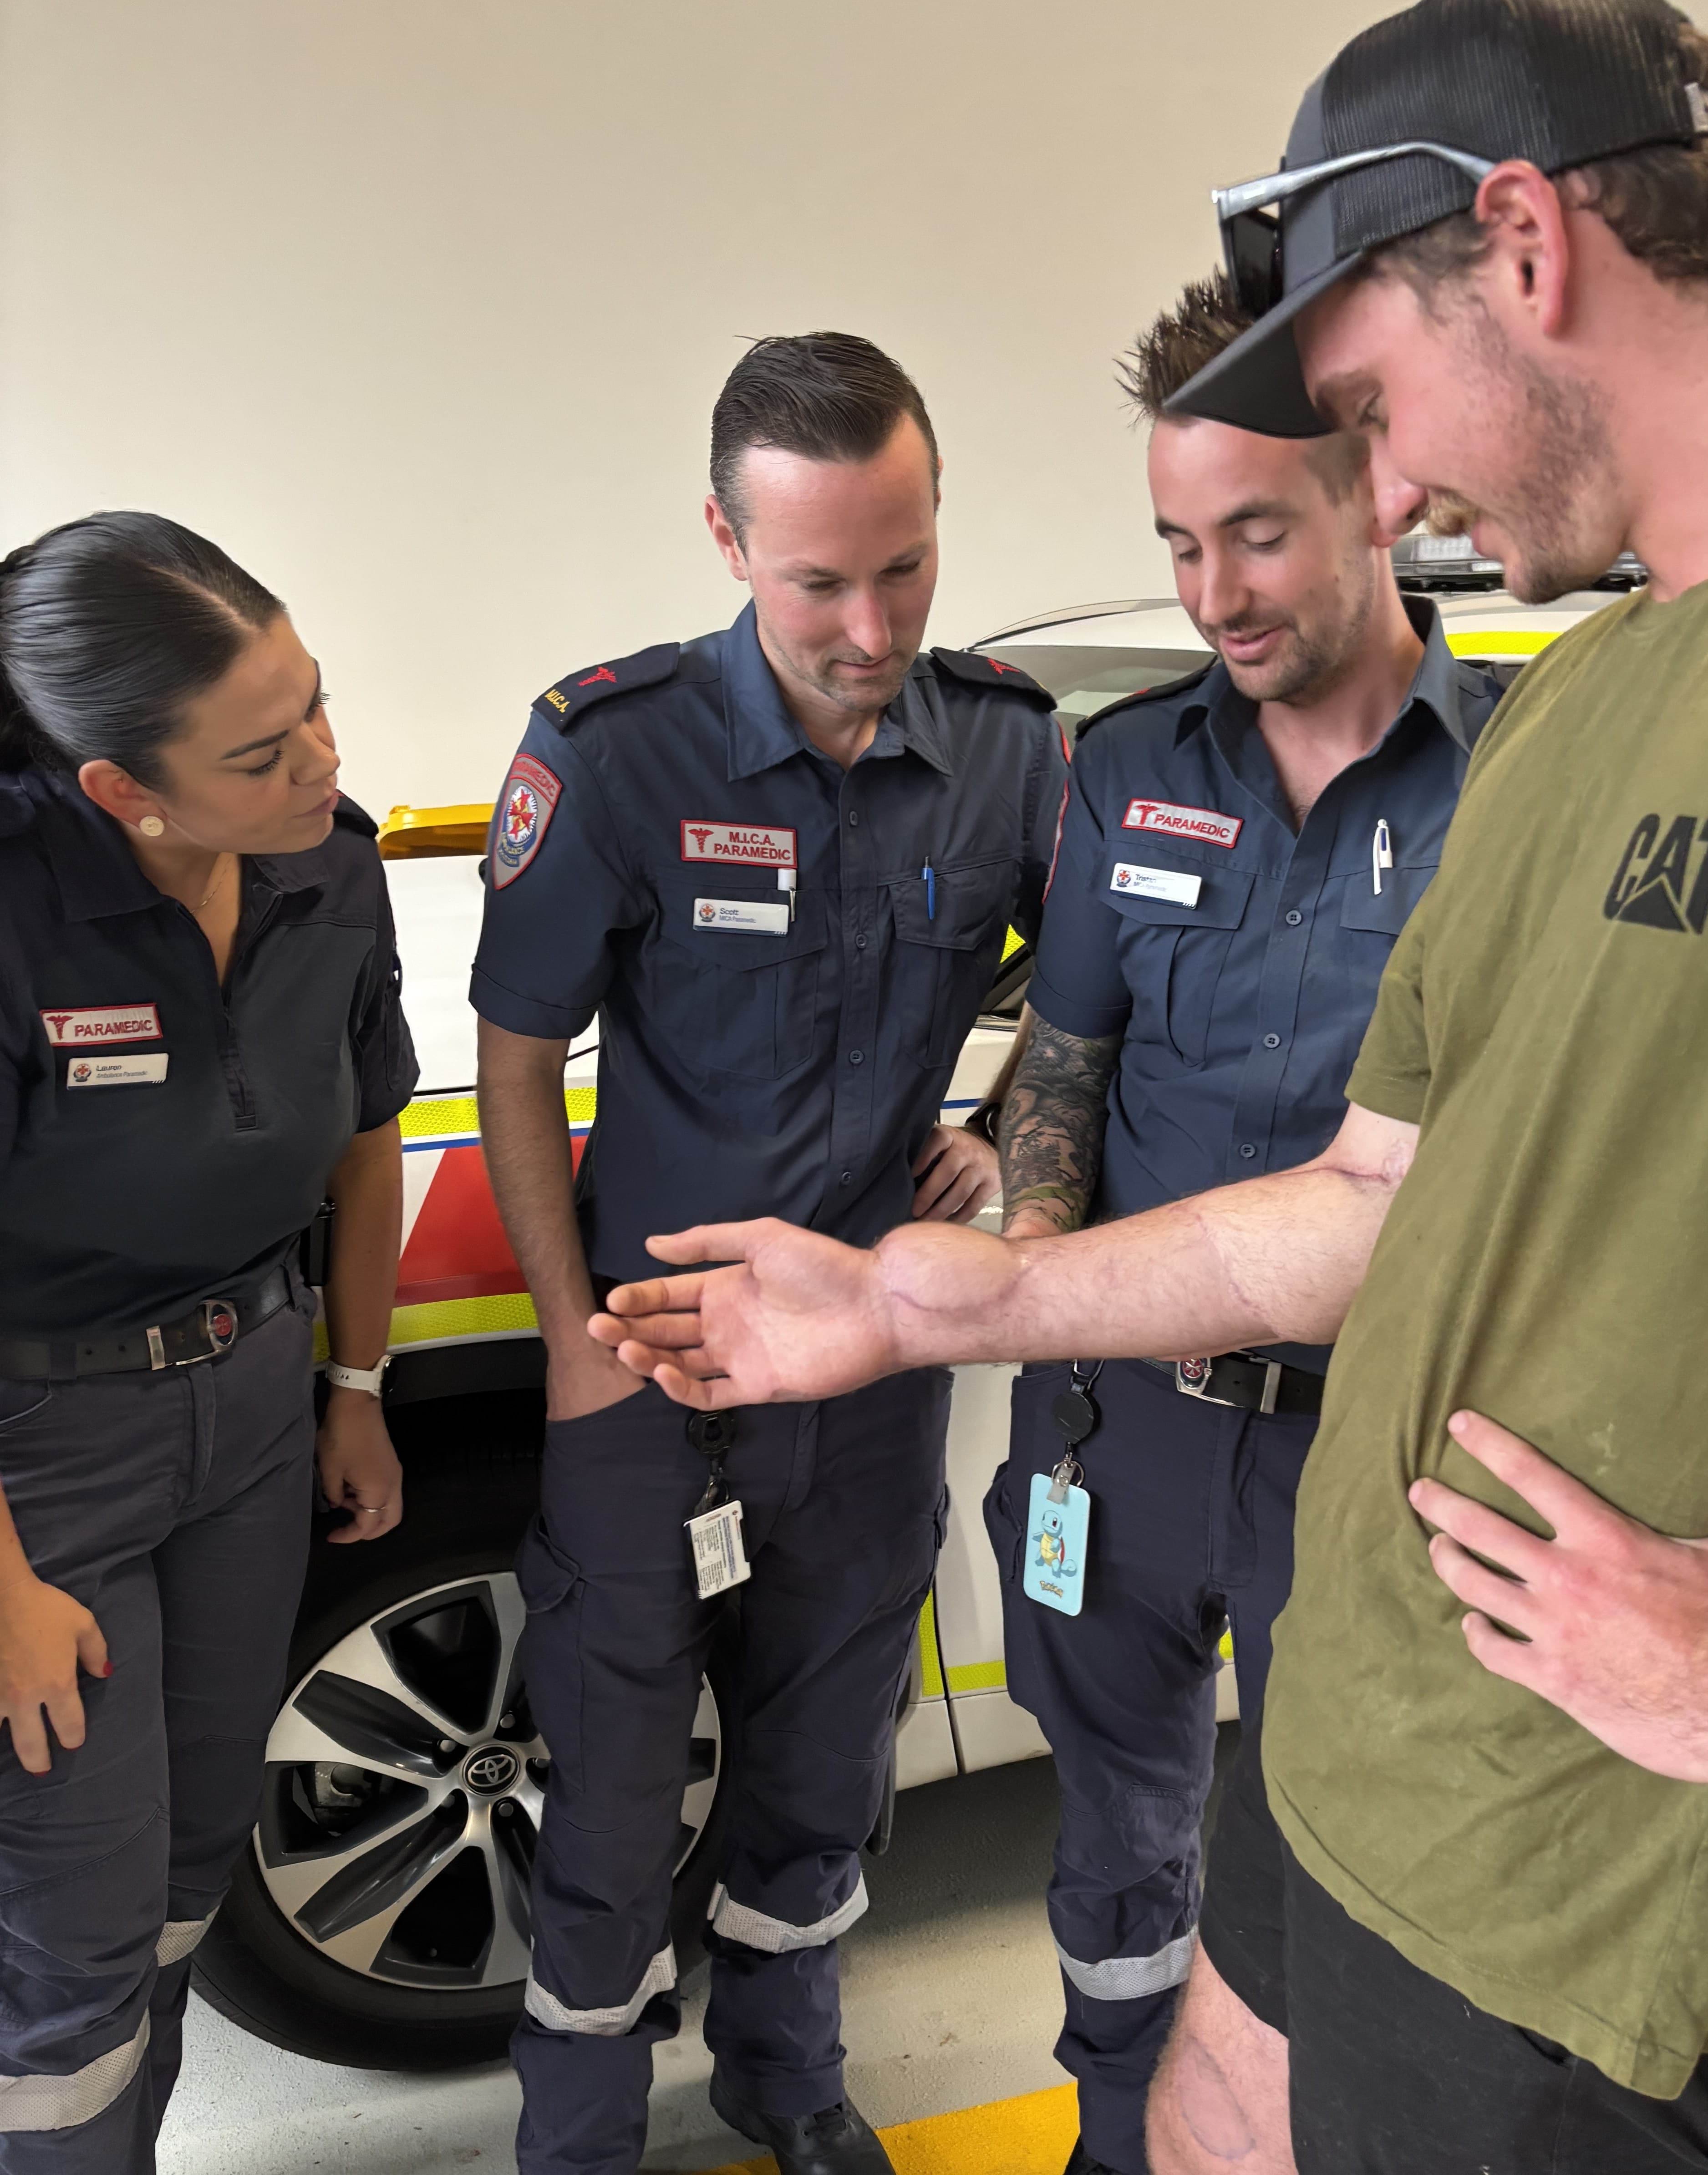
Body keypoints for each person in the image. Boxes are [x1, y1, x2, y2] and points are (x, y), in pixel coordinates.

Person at [590, 0, 1708, 2175]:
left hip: (1596, 1867)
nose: (1383, 479)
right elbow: (1371, 1200)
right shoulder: (1604, 696)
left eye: (1368, 403)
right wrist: (963, 1297)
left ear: (1527, 245)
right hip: (1353, 1761)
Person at [471, 332, 1065, 2175]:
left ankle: (786, 2088)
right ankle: (576, 2137)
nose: (873, 624)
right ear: (727, 540)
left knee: (825, 1775)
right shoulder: (618, 746)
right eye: (822, 580)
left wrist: (1008, 1124)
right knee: (614, 1790)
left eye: (906, 567)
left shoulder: (1010, 752)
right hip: (655, 1378)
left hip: (868, 1380)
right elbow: (513, 1049)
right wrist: (572, 1335)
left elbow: (1097, 983)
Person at [986, 275, 1498, 2175]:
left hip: (1365, 1447)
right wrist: (1029, 1270)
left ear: (1381, 492)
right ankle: (1123, 2137)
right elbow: (1064, 1063)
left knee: (1346, 1852)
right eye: (1181, 546)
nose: (1214, 594)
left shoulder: (1514, 785)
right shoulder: (1123, 771)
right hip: (1119, 1429)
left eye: (1260, 532)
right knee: (1114, 1808)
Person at [0, 513, 414, 2174]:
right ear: (124, 791)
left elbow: (364, 1127)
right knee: (77, 1939)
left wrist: (358, 1387)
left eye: (316, 702)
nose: (321, 759)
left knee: (185, 1882)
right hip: (44, 1462)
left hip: (252, 1408)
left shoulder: (331, 857)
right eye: (263, 749)